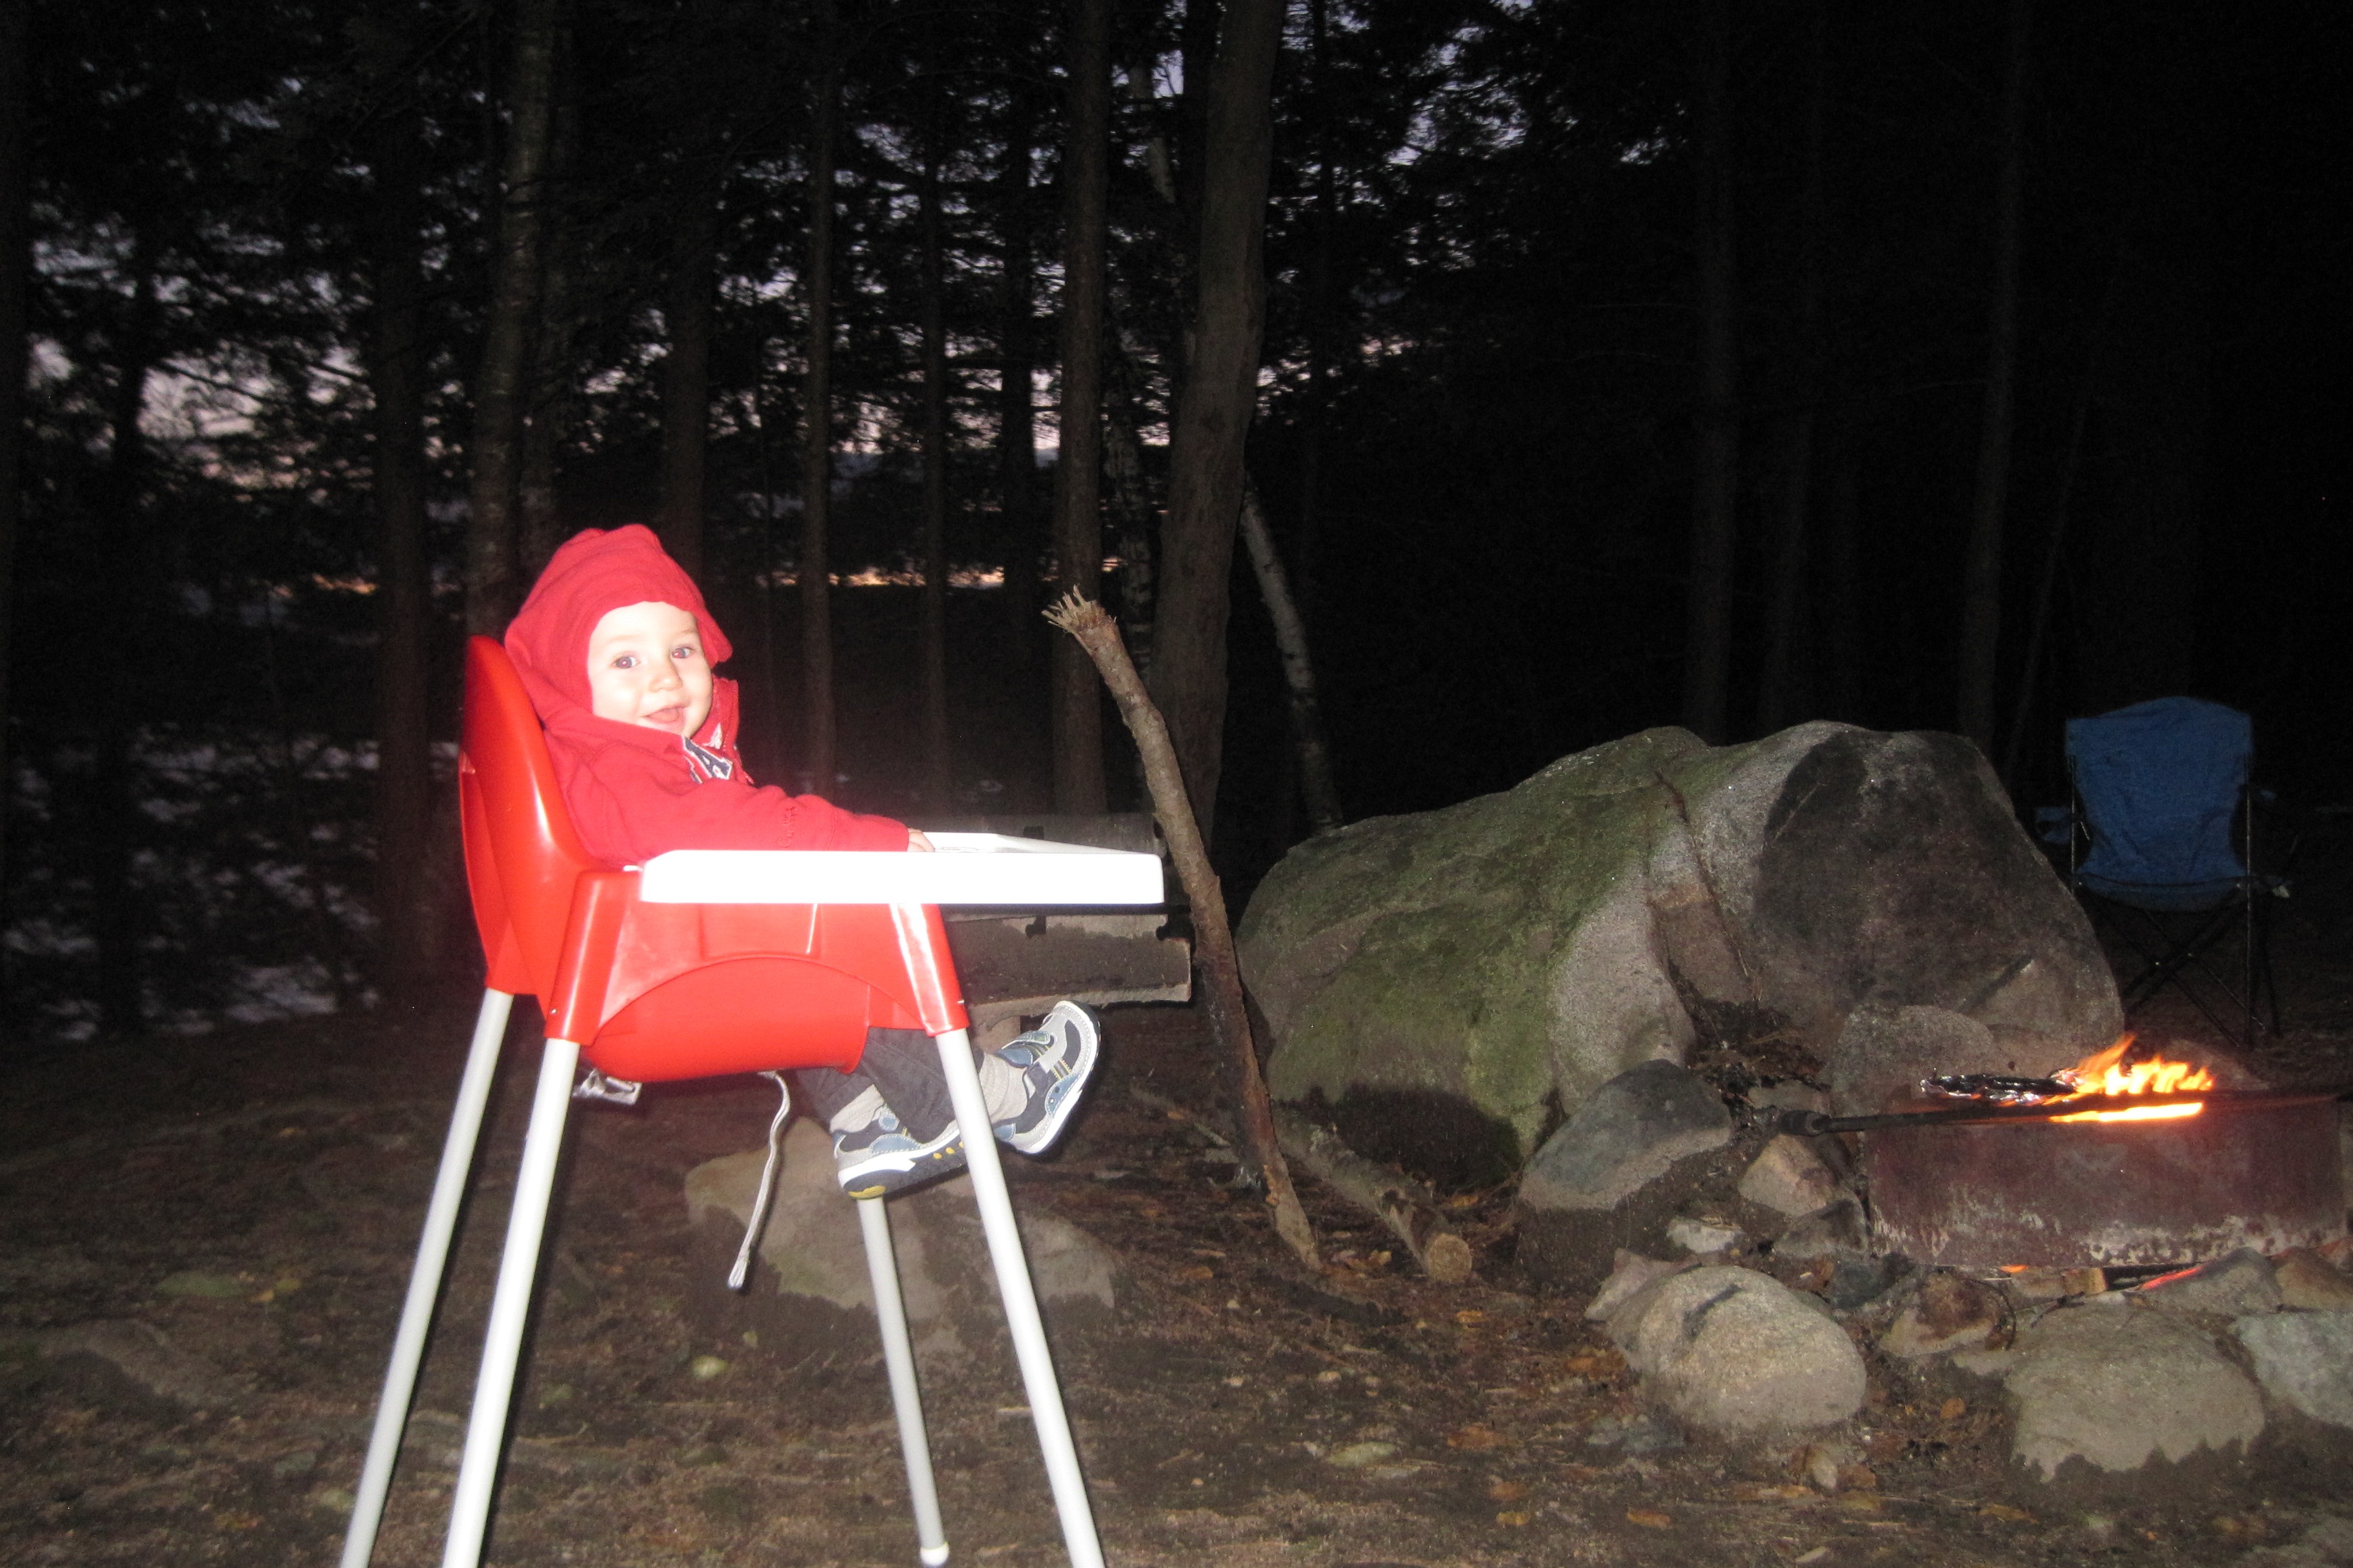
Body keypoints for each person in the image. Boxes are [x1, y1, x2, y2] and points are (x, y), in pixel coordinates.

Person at [503, 524, 1099, 1198]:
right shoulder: (614, 768)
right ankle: (1005, 1098)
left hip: (650, 988)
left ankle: (866, 1119)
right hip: (662, 995)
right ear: (567, 681)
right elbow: (717, 826)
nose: (665, 677)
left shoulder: (625, 765)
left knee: (808, 939)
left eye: (681, 649)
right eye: (625, 661)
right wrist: (856, 837)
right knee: (856, 938)